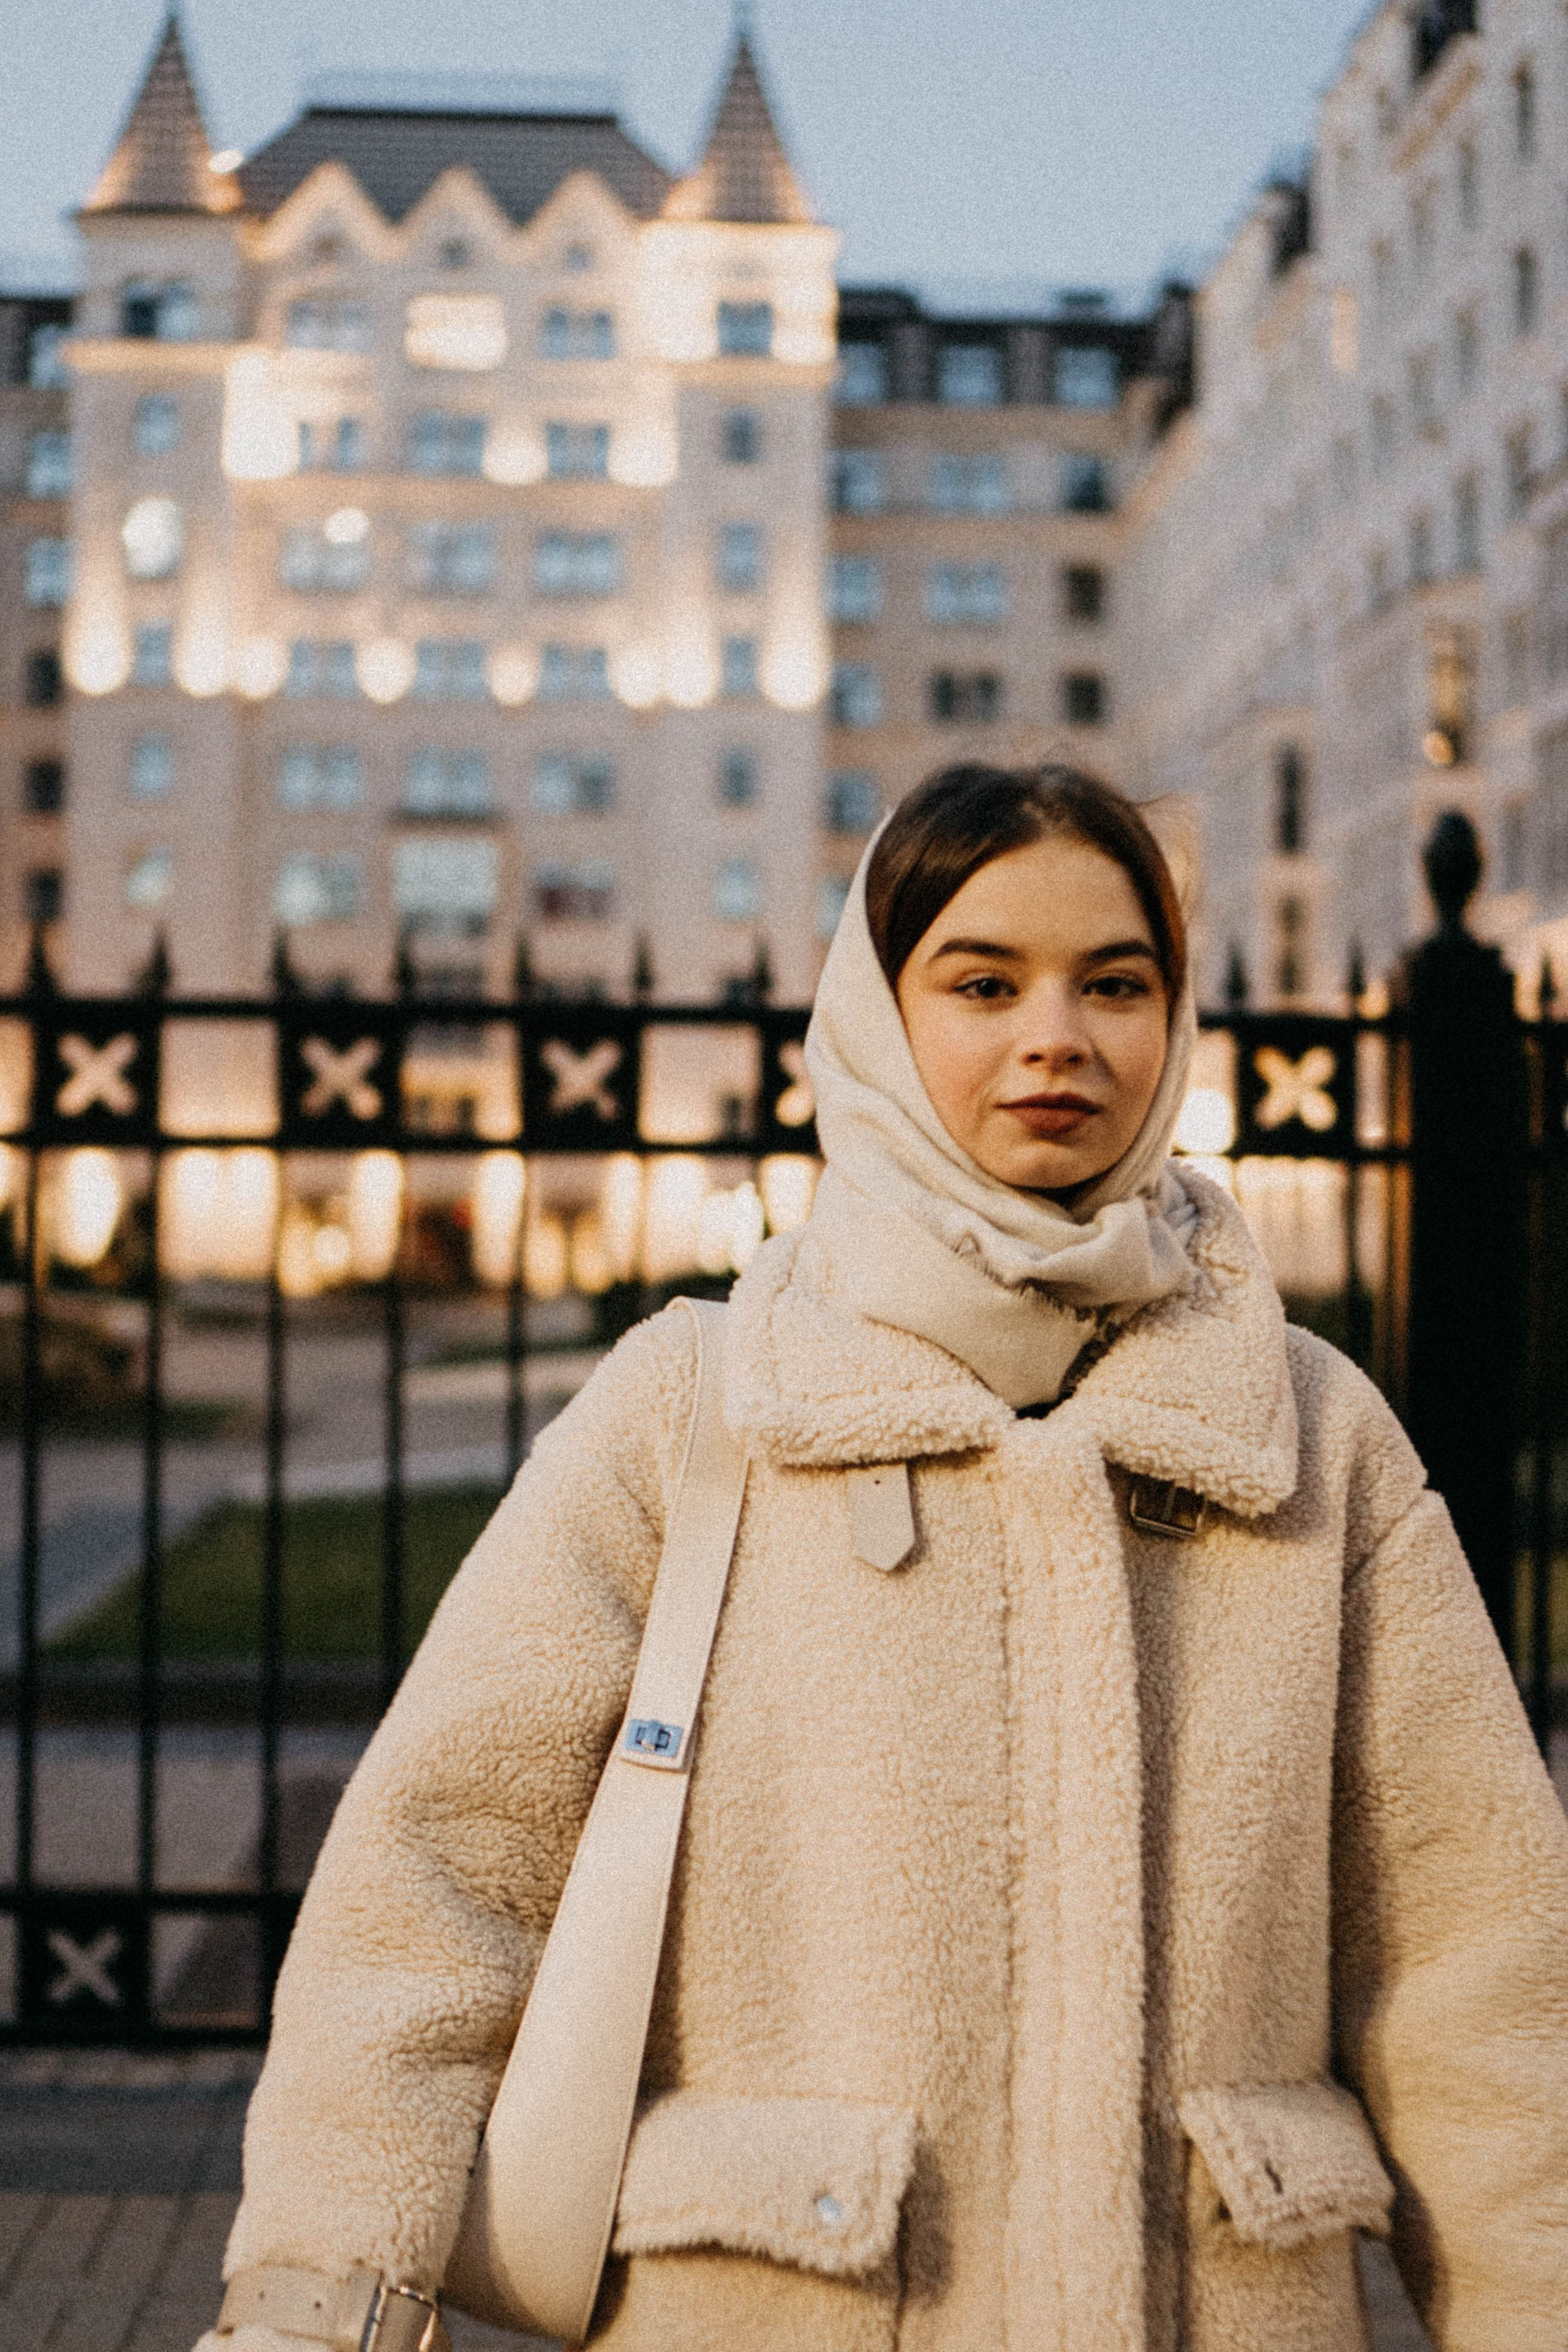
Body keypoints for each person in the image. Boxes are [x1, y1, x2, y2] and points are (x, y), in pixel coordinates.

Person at [204, 765, 1568, 2352]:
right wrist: (318, 2300)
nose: (1055, 1035)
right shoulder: (697, 1402)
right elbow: (435, 1878)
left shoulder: (1312, 1432)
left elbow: (1479, 1966)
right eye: (983, 981)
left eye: (1116, 983)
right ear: (877, 1010)